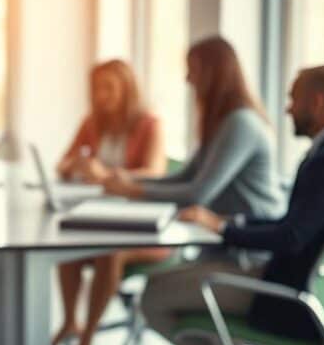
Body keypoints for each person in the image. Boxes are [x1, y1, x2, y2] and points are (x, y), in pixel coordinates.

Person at [144, 64, 324, 345]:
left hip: (286, 295)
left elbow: (290, 237)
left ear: (318, 101)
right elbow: (295, 226)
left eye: (293, 99)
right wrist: (232, 222)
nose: (287, 108)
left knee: (152, 297)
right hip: (319, 291)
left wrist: (223, 229)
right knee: (190, 282)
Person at [49, 60, 168, 345]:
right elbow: (64, 161)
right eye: (96, 89)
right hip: (98, 216)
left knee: (110, 252)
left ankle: (86, 341)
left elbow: (155, 173)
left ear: (126, 90)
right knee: (66, 247)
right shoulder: (92, 123)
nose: (101, 96)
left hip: (141, 228)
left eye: (109, 88)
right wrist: (76, 165)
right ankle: (69, 322)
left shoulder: (149, 124)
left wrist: (109, 175)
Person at [103, 36, 285, 220]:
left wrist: (132, 189)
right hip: (224, 228)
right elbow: (185, 177)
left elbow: (198, 194)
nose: (187, 79)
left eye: (193, 70)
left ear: (213, 74)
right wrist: (131, 180)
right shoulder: (222, 122)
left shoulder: (240, 123)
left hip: (252, 233)